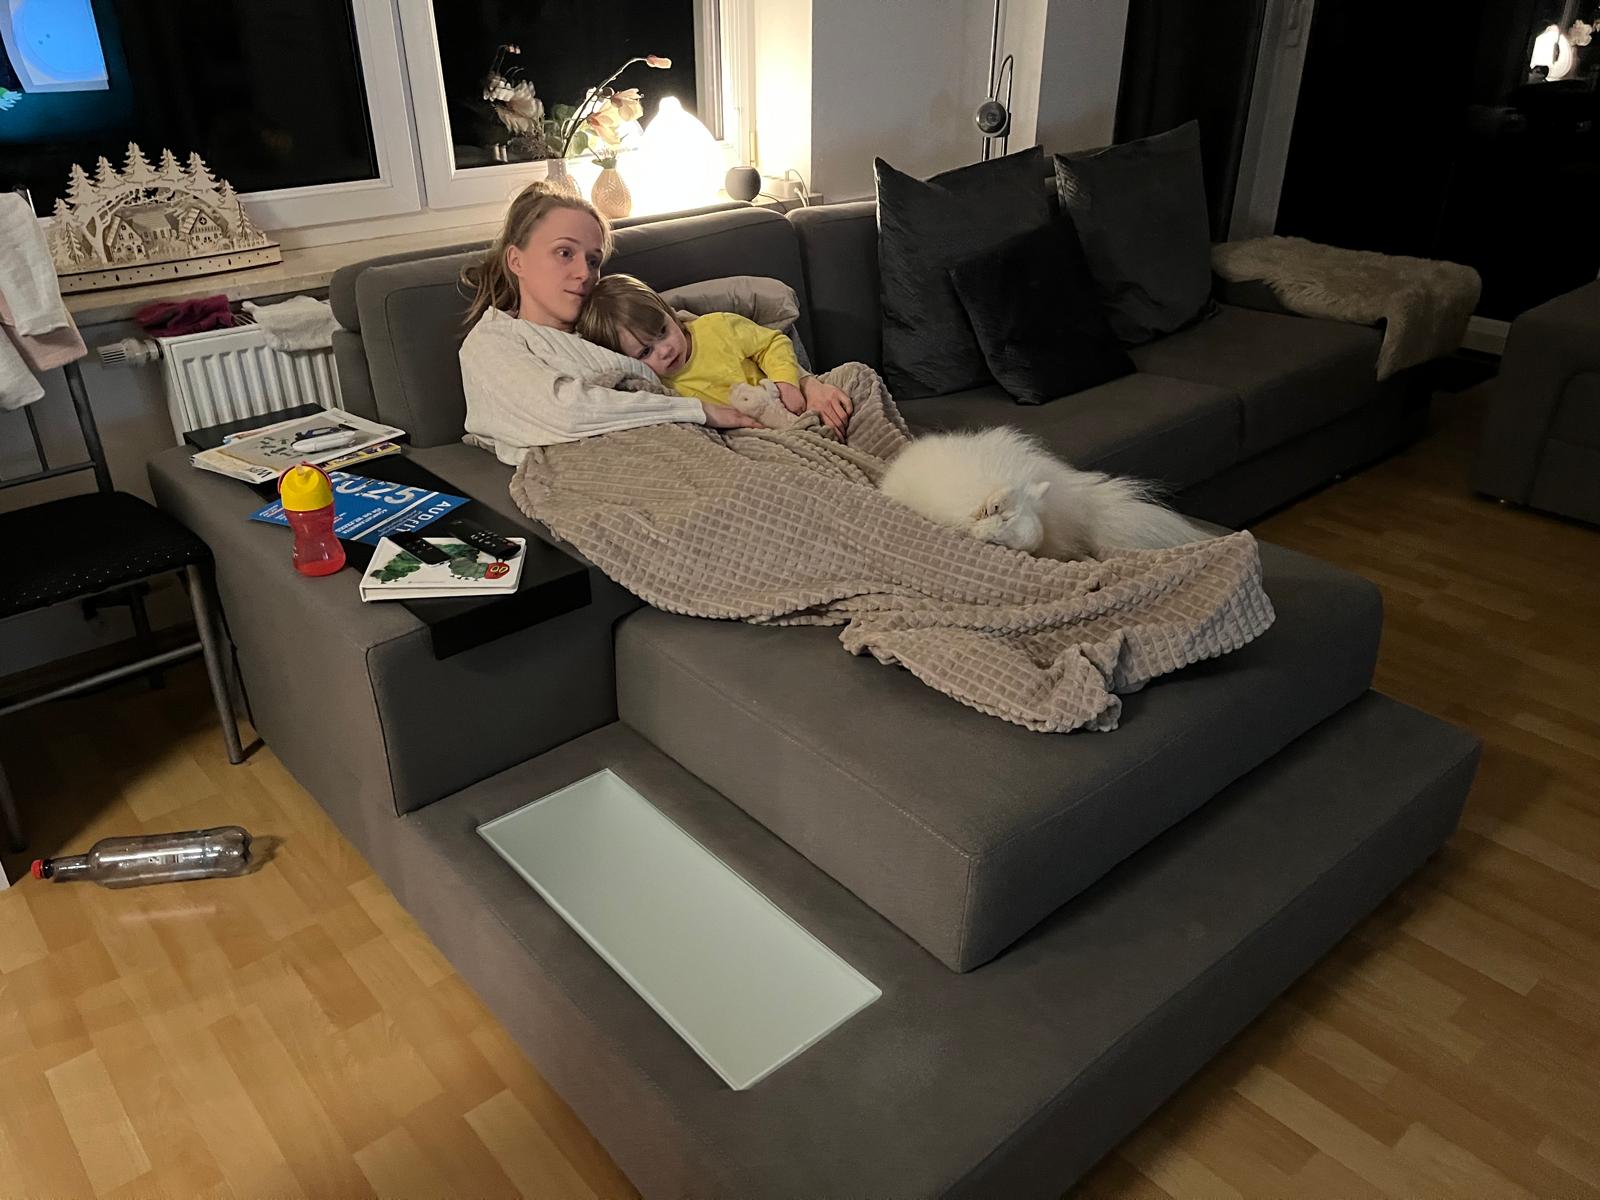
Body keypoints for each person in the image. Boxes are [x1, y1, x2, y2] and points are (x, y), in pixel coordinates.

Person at [457, 182, 849, 464]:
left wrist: (805, 383)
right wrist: (699, 410)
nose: (584, 273)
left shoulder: (607, 321)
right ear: (516, 260)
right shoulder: (492, 342)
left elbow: (709, 336)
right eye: (564, 253)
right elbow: (562, 411)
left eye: (593, 260)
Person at [575, 273, 852, 437]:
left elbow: (772, 343)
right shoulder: (657, 388)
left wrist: (787, 382)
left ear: (669, 312)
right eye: (646, 351)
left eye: (662, 331)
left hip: (784, 402)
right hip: (750, 441)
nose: (665, 350)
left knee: (854, 378)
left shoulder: (717, 327)